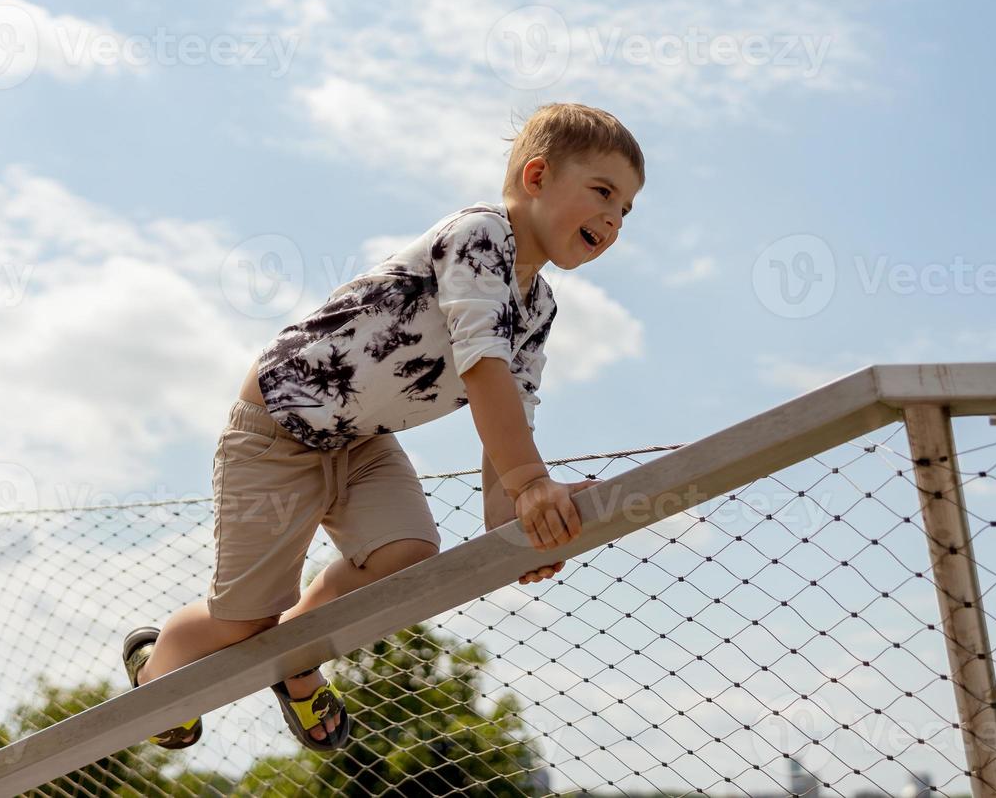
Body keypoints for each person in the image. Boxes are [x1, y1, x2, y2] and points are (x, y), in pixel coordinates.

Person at [121, 102, 645, 750]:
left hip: (360, 442)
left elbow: (511, 409)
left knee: (405, 556)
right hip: (278, 430)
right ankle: (158, 664)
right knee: (245, 618)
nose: (614, 219)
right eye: (603, 192)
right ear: (537, 176)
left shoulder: (538, 307)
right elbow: (481, 365)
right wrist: (533, 484)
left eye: (626, 210)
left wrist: (512, 524)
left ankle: (297, 661)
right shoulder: (481, 236)